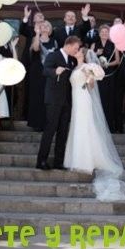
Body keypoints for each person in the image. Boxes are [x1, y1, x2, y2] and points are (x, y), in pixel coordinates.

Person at [64, 48, 125, 201]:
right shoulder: (75, 67)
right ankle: (78, 158)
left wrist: (90, 78)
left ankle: (87, 160)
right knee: (77, 127)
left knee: (85, 127)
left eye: (79, 51)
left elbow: (91, 86)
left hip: (84, 99)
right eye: (76, 50)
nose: (76, 52)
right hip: (76, 100)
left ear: (83, 55)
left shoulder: (86, 67)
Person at [36, 36, 81, 170]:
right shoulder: (53, 55)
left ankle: (58, 161)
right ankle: (41, 161)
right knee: (50, 130)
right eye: (76, 48)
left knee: (63, 132)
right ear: (69, 44)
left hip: (66, 101)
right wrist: (55, 71)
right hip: (54, 100)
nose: (76, 50)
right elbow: (44, 70)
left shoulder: (72, 60)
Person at [27, 21, 58, 132]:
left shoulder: (54, 42)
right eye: (42, 26)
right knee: (37, 96)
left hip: (49, 72)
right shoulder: (36, 39)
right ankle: (36, 123)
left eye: (47, 26)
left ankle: (47, 123)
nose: (44, 27)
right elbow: (36, 49)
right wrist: (37, 34)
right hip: (37, 72)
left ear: (50, 30)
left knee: (48, 97)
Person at [93, 24, 120, 133]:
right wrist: (96, 54)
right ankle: (98, 126)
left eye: (106, 32)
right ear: (99, 33)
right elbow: (89, 59)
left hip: (109, 76)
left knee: (109, 100)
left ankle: (109, 126)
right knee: (99, 99)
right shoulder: (95, 45)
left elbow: (117, 60)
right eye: (102, 32)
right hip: (97, 76)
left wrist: (107, 64)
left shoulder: (113, 45)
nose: (104, 34)